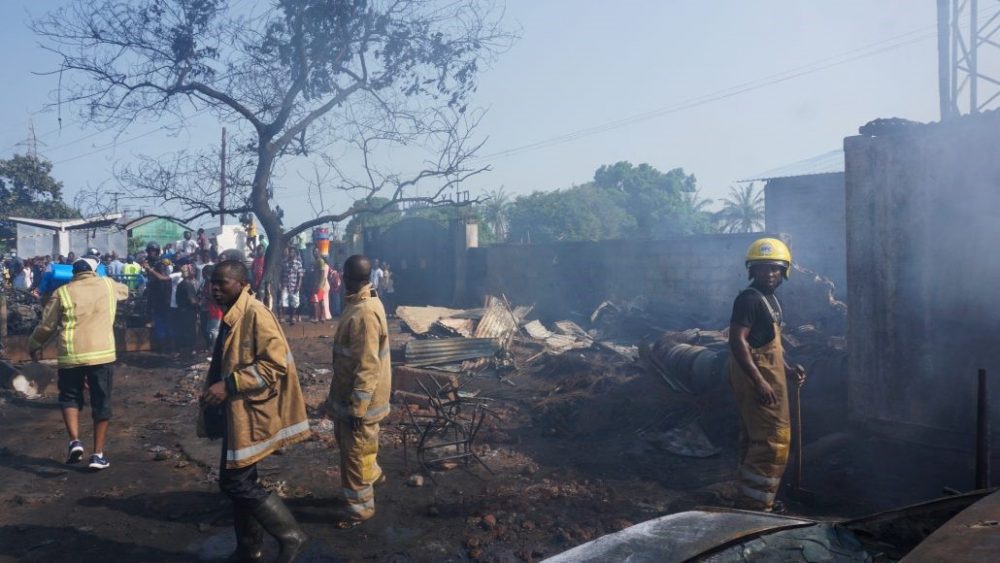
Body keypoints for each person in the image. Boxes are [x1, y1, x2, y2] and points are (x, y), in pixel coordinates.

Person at [198, 260, 310, 563]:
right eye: (212, 282)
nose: (215, 288)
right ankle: (249, 549)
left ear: (241, 282)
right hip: (238, 413)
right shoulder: (233, 314)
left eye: (223, 282)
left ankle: (291, 535)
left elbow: (274, 364)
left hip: (251, 411)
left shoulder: (255, 313)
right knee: (240, 480)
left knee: (236, 482)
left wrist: (229, 385)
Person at [28, 250, 129, 470]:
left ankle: (75, 441)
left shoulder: (62, 292)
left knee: (69, 398)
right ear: (93, 271)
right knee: (101, 402)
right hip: (102, 355)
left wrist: (34, 345)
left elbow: (46, 326)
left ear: (72, 273)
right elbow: (126, 291)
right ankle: (98, 454)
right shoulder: (109, 285)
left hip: (70, 355)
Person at [728, 238, 806, 512]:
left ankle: (754, 497)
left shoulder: (769, 299)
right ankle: (756, 507)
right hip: (759, 381)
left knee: (758, 438)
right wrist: (759, 381)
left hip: (770, 377)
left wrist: (787, 368)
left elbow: (767, 344)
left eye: (774, 268)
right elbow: (737, 340)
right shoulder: (749, 300)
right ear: (752, 270)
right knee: (773, 442)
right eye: (763, 269)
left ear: (784, 270)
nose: (769, 274)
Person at [327, 255, 392, 527]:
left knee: (353, 454)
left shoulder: (363, 312)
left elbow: (367, 365)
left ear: (346, 277)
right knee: (364, 446)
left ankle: (360, 508)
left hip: (360, 402)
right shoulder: (364, 302)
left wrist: (357, 407)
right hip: (359, 397)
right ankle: (374, 475)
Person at [142, 242, 175, 353]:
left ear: (157, 252)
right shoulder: (149, 262)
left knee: (168, 322)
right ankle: (161, 346)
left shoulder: (163, 263)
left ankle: (170, 346)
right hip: (155, 295)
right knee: (158, 322)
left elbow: (164, 278)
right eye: (149, 251)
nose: (151, 253)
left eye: (153, 251)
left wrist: (150, 269)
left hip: (165, 296)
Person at [175, 264, 200, 358]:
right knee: (191, 331)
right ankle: (190, 351)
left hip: (181, 311)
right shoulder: (188, 284)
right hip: (188, 312)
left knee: (183, 331)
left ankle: (183, 351)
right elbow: (192, 300)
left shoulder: (180, 284)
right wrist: (199, 305)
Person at [280, 247, 305, 325]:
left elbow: (300, 276)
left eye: (293, 252)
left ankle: (292, 317)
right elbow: (281, 274)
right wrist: (280, 284)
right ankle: (283, 317)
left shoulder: (298, 263)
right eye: (290, 252)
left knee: (294, 302)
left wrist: (298, 286)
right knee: (284, 301)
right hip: (285, 284)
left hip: (294, 285)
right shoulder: (285, 262)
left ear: (295, 253)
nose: (291, 253)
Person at [201, 264, 223, 349]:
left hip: (216, 311)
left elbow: (214, 296)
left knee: (214, 331)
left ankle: (215, 351)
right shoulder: (207, 283)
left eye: (204, 273)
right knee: (209, 330)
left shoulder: (213, 283)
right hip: (210, 310)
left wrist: (206, 297)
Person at [311, 249, 331, 323]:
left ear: (319, 253)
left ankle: (317, 317)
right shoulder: (318, 261)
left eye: (316, 251)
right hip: (320, 283)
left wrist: (319, 285)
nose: (314, 253)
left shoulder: (320, 261)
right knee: (321, 300)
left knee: (315, 300)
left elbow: (322, 274)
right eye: (313, 252)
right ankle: (321, 317)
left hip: (319, 284)